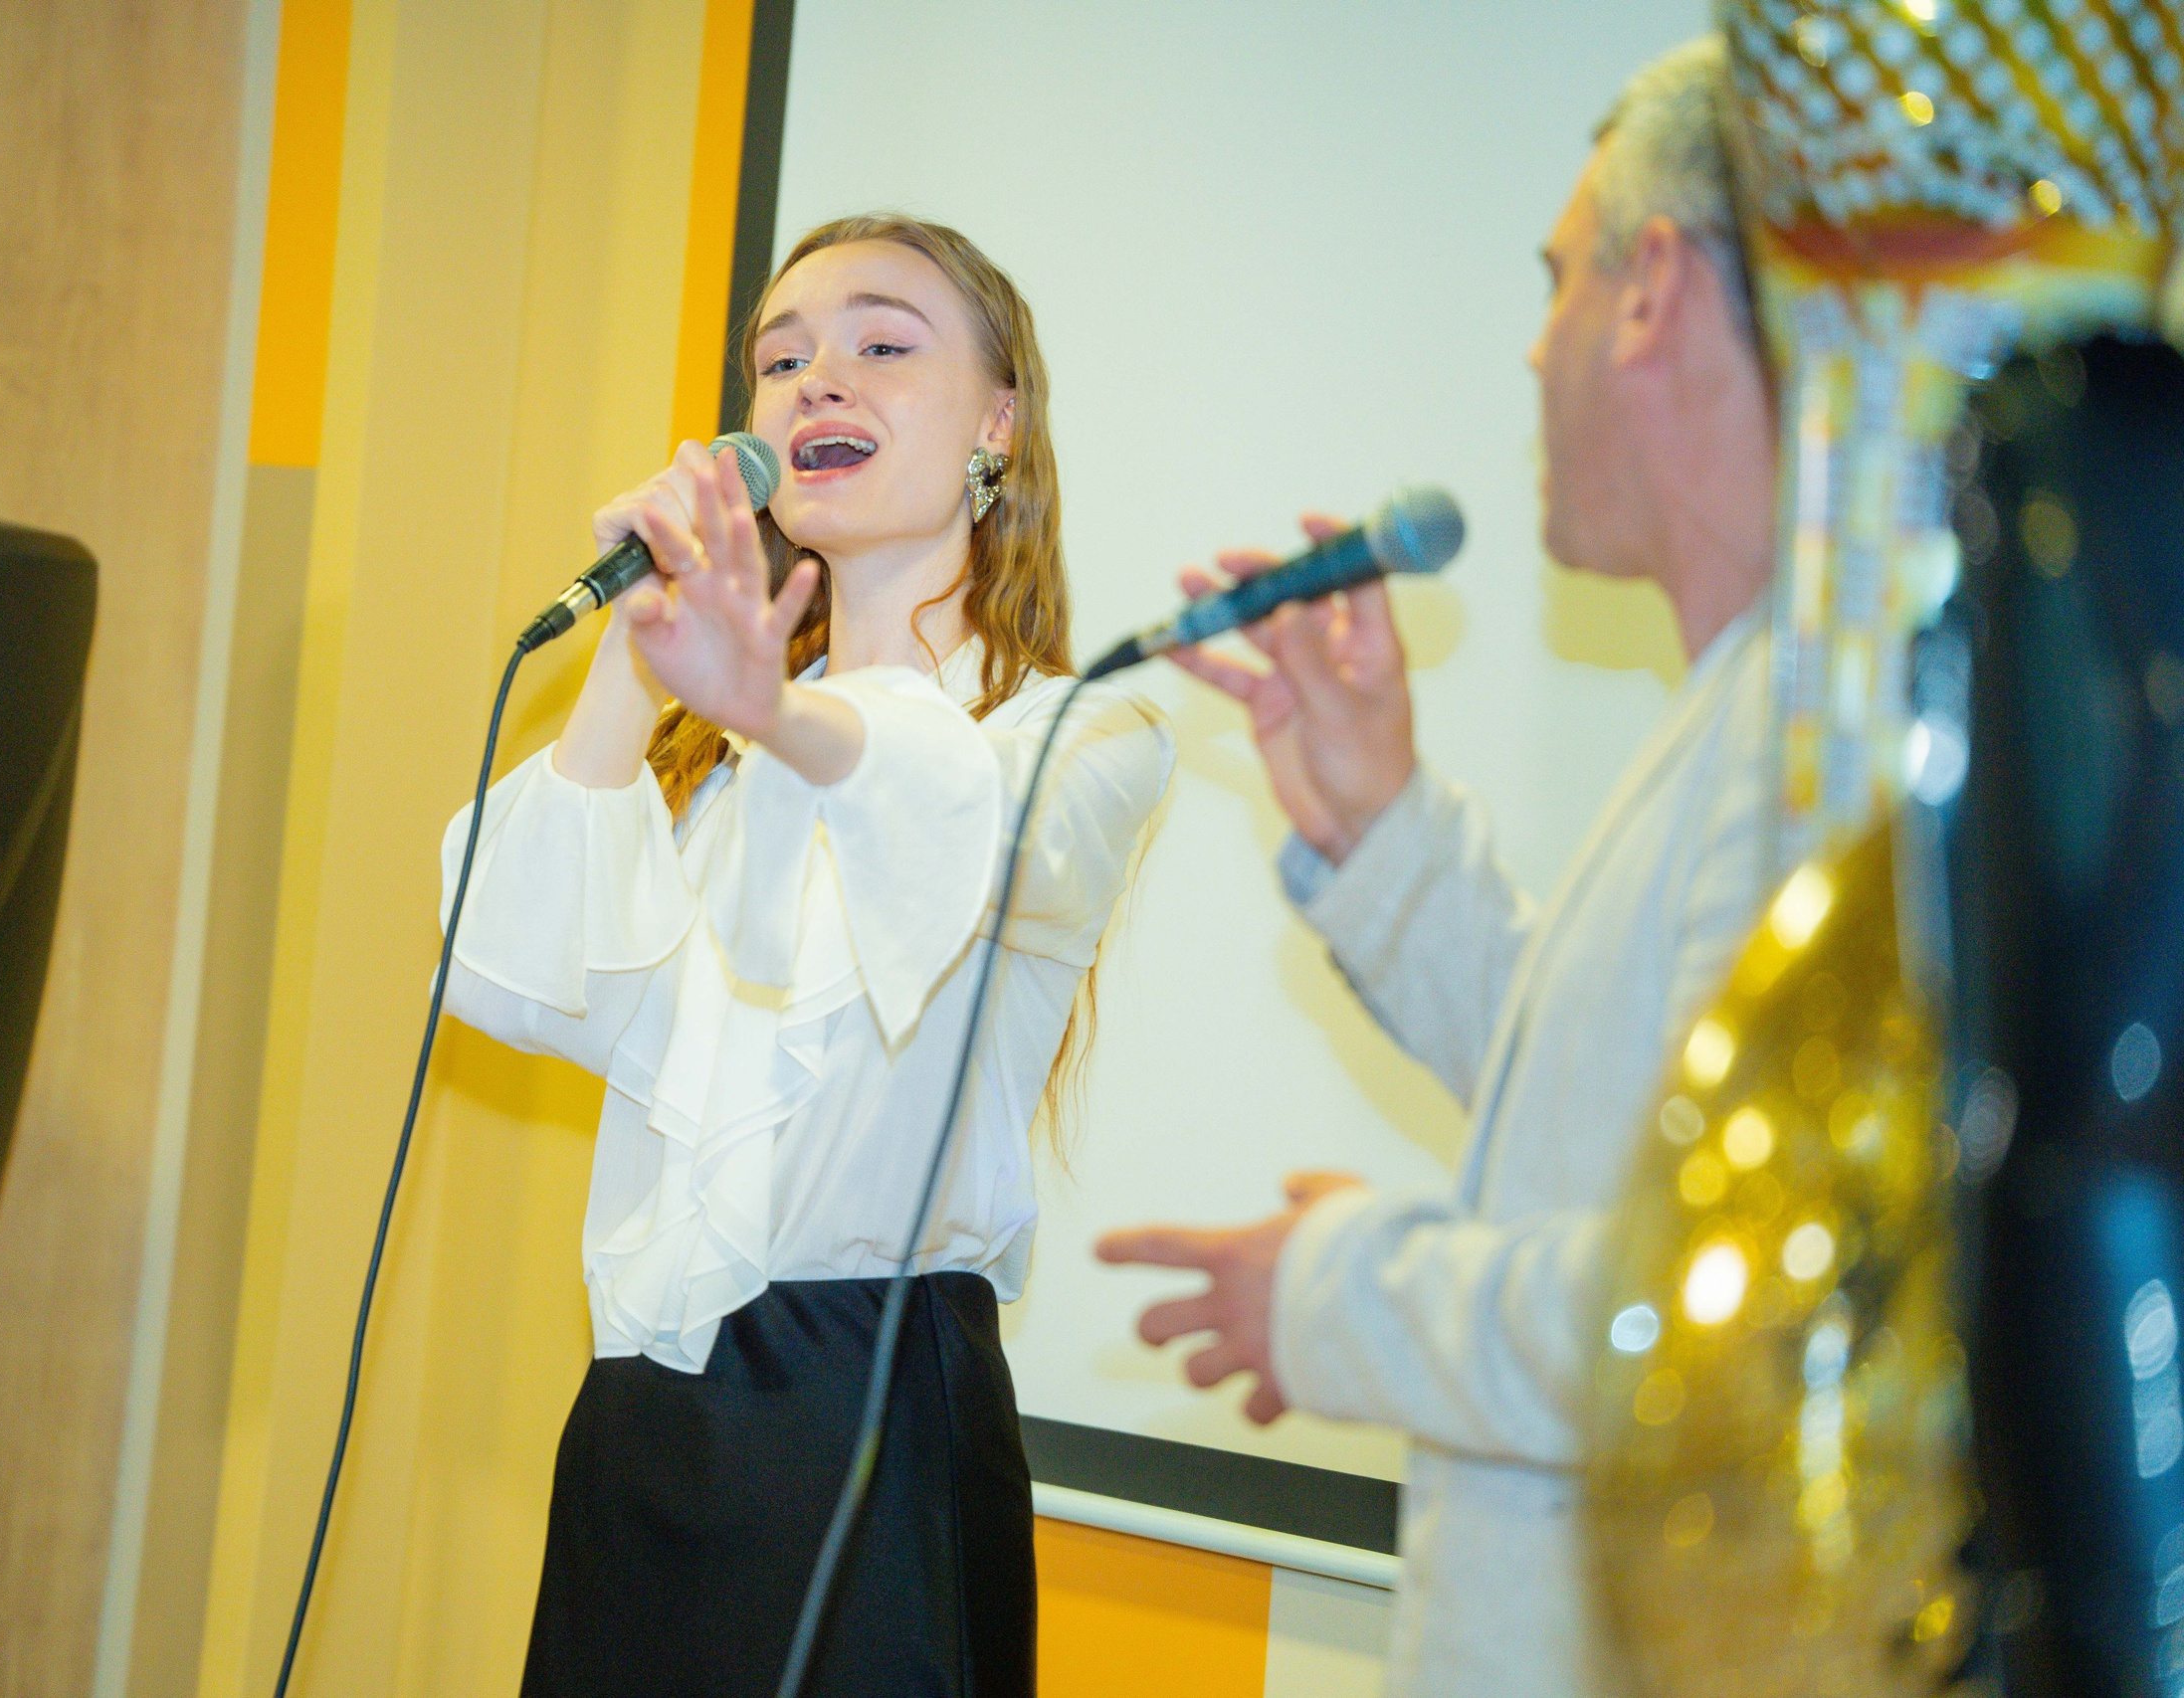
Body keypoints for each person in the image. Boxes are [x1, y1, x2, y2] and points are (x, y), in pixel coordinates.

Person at [1094, 39, 1776, 1698]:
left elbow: (1711, 1320)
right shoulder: (1746, 703)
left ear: (1652, 292)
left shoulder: (1808, 741)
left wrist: (1333, 1291)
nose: (1532, 346)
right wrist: (1376, 820)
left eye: (1558, 284)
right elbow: (1617, 1122)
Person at [438, 214, 1172, 1698]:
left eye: (882, 345)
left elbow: (957, 837)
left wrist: (779, 714)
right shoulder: (711, 776)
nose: (818, 379)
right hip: (643, 1429)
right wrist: (633, 657)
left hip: (876, 1423)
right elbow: (519, 975)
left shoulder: (1079, 735)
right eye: (782, 359)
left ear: (997, 424)